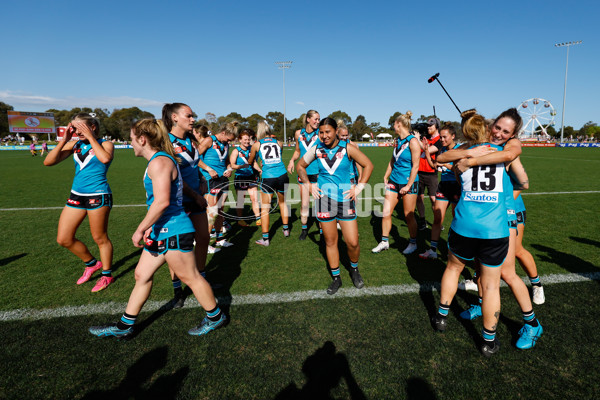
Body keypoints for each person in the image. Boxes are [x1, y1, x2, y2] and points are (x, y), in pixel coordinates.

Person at [89, 118, 226, 338]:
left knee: (191, 277)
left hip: (173, 229)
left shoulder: (159, 162)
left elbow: (162, 202)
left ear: (142, 139)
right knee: (141, 274)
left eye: (132, 139)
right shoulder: (159, 160)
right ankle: (125, 326)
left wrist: (140, 228)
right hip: (161, 229)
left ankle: (215, 316)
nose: (131, 143)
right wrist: (149, 228)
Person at [445, 108, 544, 349]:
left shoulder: (511, 149)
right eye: (496, 127)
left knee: (507, 273)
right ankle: (482, 303)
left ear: (514, 134)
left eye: (505, 131)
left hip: (505, 217)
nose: (499, 133)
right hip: (484, 220)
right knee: (481, 266)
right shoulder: (483, 144)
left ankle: (532, 324)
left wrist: (504, 202)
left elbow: (524, 182)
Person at [297, 118, 373, 294]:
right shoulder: (316, 149)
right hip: (324, 200)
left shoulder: (347, 148)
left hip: (345, 199)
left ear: (336, 130)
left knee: (353, 242)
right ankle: (336, 277)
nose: (324, 136)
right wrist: (309, 184)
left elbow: (368, 164)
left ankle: (354, 269)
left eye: (328, 132)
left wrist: (359, 187)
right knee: (331, 241)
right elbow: (301, 166)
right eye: (321, 132)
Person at [43, 113, 115, 292]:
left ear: (92, 126)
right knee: (64, 239)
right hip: (76, 195)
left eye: (79, 128)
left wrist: (91, 137)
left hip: (98, 195)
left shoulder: (105, 144)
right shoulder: (75, 144)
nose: (75, 131)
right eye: (73, 128)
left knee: (100, 237)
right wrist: (63, 140)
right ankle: (91, 264)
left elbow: (105, 158)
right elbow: (48, 162)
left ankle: (107, 275)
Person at [162, 103, 213, 308]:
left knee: (203, 238)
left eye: (193, 116)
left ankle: (200, 278)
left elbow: (194, 165)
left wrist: (201, 179)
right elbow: (171, 177)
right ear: (174, 117)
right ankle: (177, 290)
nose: (193, 119)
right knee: (176, 249)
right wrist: (195, 194)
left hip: (196, 199)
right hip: (178, 203)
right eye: (188, 116)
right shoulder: (166, 141)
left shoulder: (191, 140)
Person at [372, 111, 420, 255]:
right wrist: (386, 176)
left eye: (394, 124)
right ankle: (384, 241)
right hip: (394, 181)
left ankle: (413, 242)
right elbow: (393, 160)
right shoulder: (397, 141)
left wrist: (408, 185)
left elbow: (416, 165)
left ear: (399, 124)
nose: (393, 126)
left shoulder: (413, 141)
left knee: (408, 215)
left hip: (408, 183)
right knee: (386, 212)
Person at [419, 123, 461, 259]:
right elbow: (434, 166)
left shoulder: (459, 150)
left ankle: (455, 250)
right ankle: (432, 250)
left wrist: (446, 164)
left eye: (445, 137)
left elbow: (460, 170)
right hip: (443, 186)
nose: (442, 140)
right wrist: (426, 151)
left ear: (453, 136)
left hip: (456, 186)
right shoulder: (441, 149)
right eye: (441, 137)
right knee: (437, 219)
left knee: (457, 220)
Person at [247, 120, 290, 246]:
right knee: (282, 203)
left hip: (268, 178)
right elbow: (278, 158)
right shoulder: (279, 143)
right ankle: (286, 229)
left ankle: (265, 239)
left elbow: (250, 161)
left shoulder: (256, 144)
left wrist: (258, 163)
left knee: (265, 208)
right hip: (282, 175)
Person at [197, 121, 239, 247]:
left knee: (220, 210)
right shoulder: (208, 141)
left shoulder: (226, 144)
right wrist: (209, 169)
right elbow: (194, 157)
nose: (229, 141)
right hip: (210, 179)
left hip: (223, 179)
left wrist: (229, 169)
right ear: (223, 133)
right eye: (228, 138)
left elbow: (226, 161)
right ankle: (205, 244)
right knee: (212, 211)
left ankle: (219, 239)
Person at [287, 110, 320, 240]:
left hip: (318, 173)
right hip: (303, 173)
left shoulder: (320, 134)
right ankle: (304, 229)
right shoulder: (298, 133)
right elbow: (297, 151)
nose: (317, 122)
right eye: (315, 119)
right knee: (305, 204)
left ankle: (322, 231)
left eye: (318, 119)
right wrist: (291, 160)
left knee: (320, 204)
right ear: (308, 119)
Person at [230, 128, 261, 226]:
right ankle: (240, 219)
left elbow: (254, 162)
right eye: (245, 140)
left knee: (254, 198)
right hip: (240, 178)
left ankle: (258, 218)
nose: (247, 141)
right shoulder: (236, 151)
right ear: (240, 140)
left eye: (248, 140)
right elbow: (232, 165)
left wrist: (260, 170)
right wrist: (241, 166)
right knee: (240, 200)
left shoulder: (251, 149)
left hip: (251, 177)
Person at [416, 118, 442, 230]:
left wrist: (417, 140)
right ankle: (422, 220)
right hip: (419, 171)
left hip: (431, 173)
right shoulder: (424, 138)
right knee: (419, 197)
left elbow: (428, 150)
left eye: (431, 126)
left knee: (433, 198)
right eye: (428, 126)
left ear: (437, 127)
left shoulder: (440, 140)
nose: (428, 127)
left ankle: (438, 221)